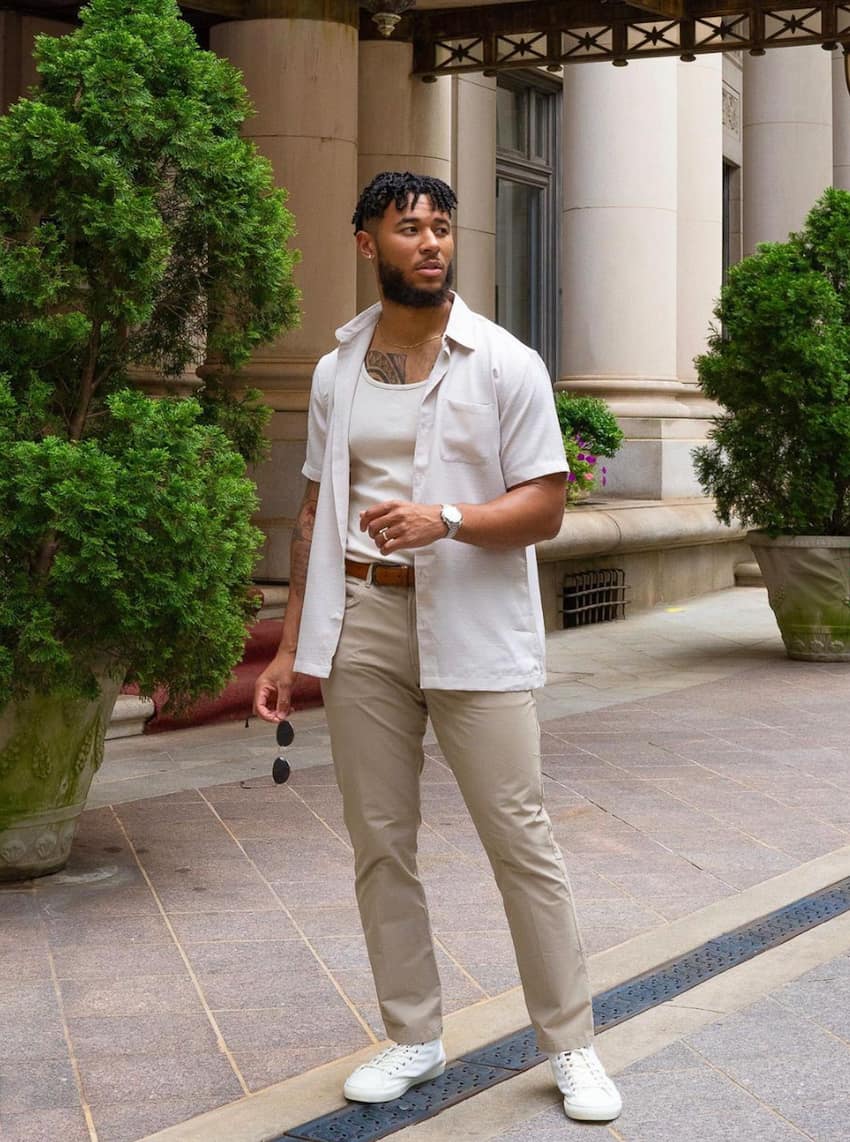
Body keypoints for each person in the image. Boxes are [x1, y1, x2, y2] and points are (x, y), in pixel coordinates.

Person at [254, 170, 622, 1124]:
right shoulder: (336, 371)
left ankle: (572, 1046)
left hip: (470, 623)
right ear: (366, 240)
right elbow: (310, 512)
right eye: (408, 227)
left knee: (520, 839)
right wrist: (291, 647)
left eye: (442, 229)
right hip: (364, 622)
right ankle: (413, 1033)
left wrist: (448, 519)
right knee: (381, 843)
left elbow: (545, 503)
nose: (430, 243)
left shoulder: (504, 362)